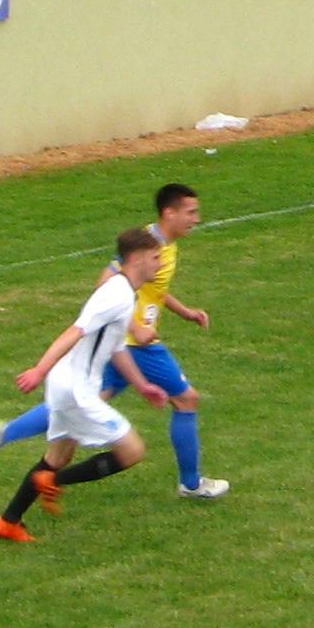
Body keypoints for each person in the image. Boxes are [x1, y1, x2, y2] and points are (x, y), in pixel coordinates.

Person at [0, 230, 177, 539]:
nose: (160, 264)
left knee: (57, 457)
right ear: (136, 259)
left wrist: (141, 385)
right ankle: (52, 481)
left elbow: (116, 347)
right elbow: (75, 331)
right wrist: (38, 369)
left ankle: (8, 522)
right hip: (76, 389)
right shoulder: (116, 295)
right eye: (155, 258)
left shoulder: (128, 292)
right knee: (132, 451)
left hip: (69, 384)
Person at [94, 183, 228, 499]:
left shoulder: (165, 242)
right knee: (187, 399)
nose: (197, 219)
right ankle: (192, 484)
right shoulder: (150, 244)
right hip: (137, 343)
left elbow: (154, 289)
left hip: (123, 341)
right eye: (191, 212)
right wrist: (136, 326)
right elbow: (107, 280)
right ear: (170, 213)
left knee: (88, 400)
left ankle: (9, 433)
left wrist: (185, 312)